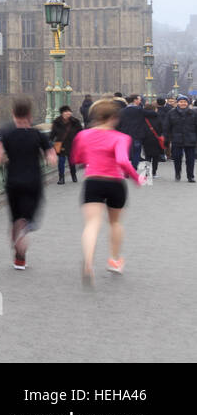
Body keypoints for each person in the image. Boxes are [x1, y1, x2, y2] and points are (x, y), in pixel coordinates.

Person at [70, 98, 142, 285]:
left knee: (92, 224)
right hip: (115, 183)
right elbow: (123, 161)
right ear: (114, 118)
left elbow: (77, 158)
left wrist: (92, 156)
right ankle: (114, 260)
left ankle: (88, 262)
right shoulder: (121, 138)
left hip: (93, 180)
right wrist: (136, 178)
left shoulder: (83, 135)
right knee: (115, 223)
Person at [0, 96, 55, 270]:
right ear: (30, 115)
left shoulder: (5, 134)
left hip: (13, 182)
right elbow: (52, 159)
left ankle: (18, 253)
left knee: (15, 219)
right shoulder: (38, 135)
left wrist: (5, 158)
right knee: (25, 219)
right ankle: (23, 234)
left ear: (13, 114)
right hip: (33, 182)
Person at [165, 96, 197, 182]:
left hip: (191, 139)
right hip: (176, 139)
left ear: (188, 103)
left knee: (190, 159)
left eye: (185, 102)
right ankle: (177, 173)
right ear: (177, 103)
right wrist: (167, 139)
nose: (183, 103)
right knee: (177, 158)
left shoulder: (193, 113)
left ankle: (190, 176)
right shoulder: (171, 113)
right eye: (181, 102)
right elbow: (167, 127)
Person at [117, 95, 150, 171]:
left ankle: (126, 168)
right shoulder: (139, 110)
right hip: (137, 134)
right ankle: (133, 167)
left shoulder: (122, 111)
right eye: (139, 100)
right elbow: (151, 114)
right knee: (136, 151)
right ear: (135, 100)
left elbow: (119, 123)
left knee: (126, 152)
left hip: (125, 134)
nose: (140, 101)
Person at [50, 105, 82, 184]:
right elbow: (53, 134)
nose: (69, 113)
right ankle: (61, 178)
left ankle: (73, 175)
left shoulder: (75, 121)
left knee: (71, 161)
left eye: (69, 111)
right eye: (66, 111)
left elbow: (81, 132)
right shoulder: (56, 122)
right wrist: (49, 143)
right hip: (60, 144)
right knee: (61, 161)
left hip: (72, 144)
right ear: (62, 113)